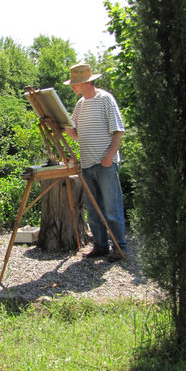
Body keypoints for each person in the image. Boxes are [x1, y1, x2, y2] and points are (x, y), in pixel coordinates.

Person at [63, 62, 126, 261]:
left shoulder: (105, 99)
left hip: (105, 163)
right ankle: (100, 246)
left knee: (111, 208)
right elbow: (75, 134)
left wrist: (109, 156)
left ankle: (119, 247)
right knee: (93, 209)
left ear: (87, 82)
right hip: (87, 164)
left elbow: (118, 131)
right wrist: (61, 122)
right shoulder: (80, 104)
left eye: (76, 83)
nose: (73, 86)